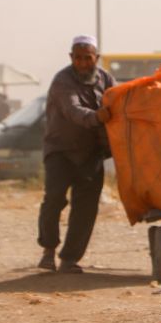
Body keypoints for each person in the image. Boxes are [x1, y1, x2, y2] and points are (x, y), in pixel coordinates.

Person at [36, 35, 115, 274]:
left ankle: (70, 258)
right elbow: (73, 110)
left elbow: (120, 100)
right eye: (78, 58)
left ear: (96, 58)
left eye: (87, 58)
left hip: (91, 153)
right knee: (54, 199)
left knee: (86, 208)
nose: (82, 63)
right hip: (60, 150)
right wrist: (97, 117)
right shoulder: (62, 80)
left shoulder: (106, 79)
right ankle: (48, 249)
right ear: (71, 57)